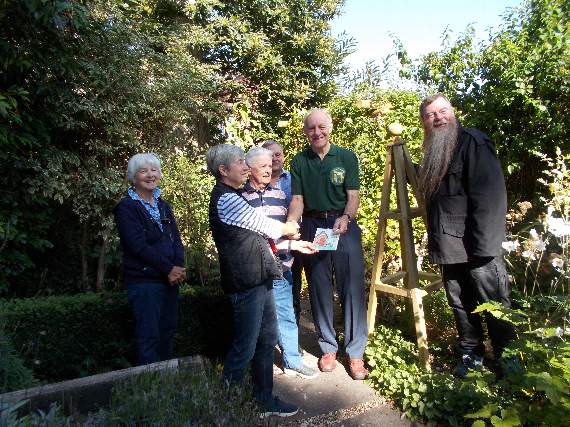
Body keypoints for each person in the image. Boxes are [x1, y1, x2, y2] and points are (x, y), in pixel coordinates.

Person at [206, 143, 317, 417]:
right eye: (241, 163)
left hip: (259, 278)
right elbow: (267, 226)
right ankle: (223, 409)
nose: (246, 167)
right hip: (246, 284)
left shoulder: (234, 195)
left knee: (266, 340)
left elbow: (261, 241)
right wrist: (290, 228)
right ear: (223, 170)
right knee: (245, 346)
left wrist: (294, 246)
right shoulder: (225, 198)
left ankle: (264, 399)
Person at [418, 93, 516, 378]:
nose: (437, 117)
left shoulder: (473, 142)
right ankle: (471, 355)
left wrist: (486, 248)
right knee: (461, 305)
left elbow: (491, 196)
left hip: (478, 246)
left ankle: (508, 364)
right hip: (449, 245)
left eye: (442, 111)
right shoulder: (434, 150)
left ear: (453, 113)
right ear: (424, 123)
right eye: (430, 115)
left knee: (495, 306)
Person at [287, 109, 369, 380]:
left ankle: (356, 354)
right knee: (320, 288)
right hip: (313, 226)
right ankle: (328, 348)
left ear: (330, 127)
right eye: (311, 128)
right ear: (305, 132)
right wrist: (291, 225)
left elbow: (353, 195)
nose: (317, 132)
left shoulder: (346, 156)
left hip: (342, 225)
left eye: (321, 126)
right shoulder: (299, 161)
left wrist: (347, 216)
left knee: (353, 288)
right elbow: (297, 200)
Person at [241, 146, 319, 380]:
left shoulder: (279, 194)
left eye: (270, 165)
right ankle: (250, 369)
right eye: (263, 166)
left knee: (285, 314)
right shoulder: (240, 197)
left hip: (281, 265)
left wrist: (293, 241)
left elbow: (285, 230)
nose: (269, 169)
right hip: (255, 271)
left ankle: (292, 361)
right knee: (255, 321)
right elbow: (253, 238)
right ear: (249, 169)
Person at [114, 153, 186, 365]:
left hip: (170, 280)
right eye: (143, 171)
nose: (150, 175)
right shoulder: (126, 208)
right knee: (149, 339)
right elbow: (137, 246)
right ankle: (151, 393)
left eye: (154, 170)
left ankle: (167, 388)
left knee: (167, 334)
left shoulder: (163, 205)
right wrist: (168, 268)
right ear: (133, 177)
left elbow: (176, 240)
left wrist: (179, 267)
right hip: (145, 283)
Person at [261, 139, 304, 326]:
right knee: (269, 293)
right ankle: (272, 334)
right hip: (267, 246)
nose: (275, 158)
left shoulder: (294, 180)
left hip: (294, 242)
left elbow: (302, 204)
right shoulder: (256, 181)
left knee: (292, 287)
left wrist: (292, 228)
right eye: (270, 155)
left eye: (278, 154)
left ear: (284, 157)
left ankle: (291, 332)